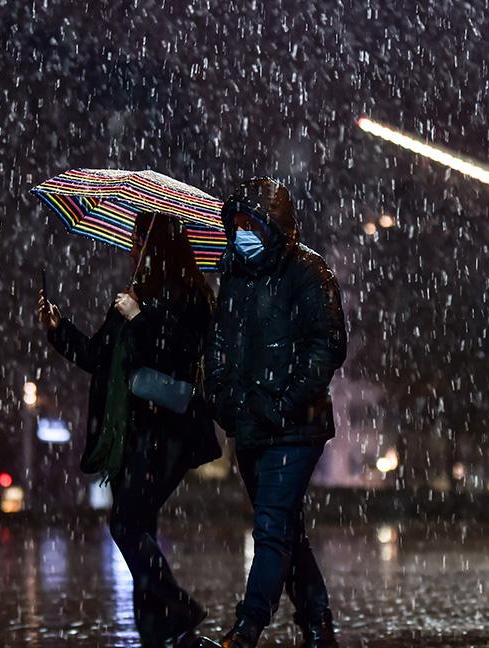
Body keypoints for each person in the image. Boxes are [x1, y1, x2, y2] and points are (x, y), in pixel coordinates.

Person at [38, 211, 221, 647]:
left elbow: (180, 355)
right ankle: (156, 633)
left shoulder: (193, 296)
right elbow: (98, 357)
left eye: (140, 240)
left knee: (125, 524)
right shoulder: (131, 295)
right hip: (129, 434)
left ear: (159, 245)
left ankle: (178, 606)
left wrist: (141, 318)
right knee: (139, 529)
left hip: (169, 431)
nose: (134, 249)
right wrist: (58, 330)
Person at [205, 178, 346, 648]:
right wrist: (225, 401)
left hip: (295, 428)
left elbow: (325, 347)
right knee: (285, 529)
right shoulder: (233, 276)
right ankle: (317, 622)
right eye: (236, 224)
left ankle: (246, 632)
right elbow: (219, 346)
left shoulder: (308, 272)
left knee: (270, 527)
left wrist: (284, 403)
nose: (242, 233)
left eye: (252, 224)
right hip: (248, 427)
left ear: (275, 226)